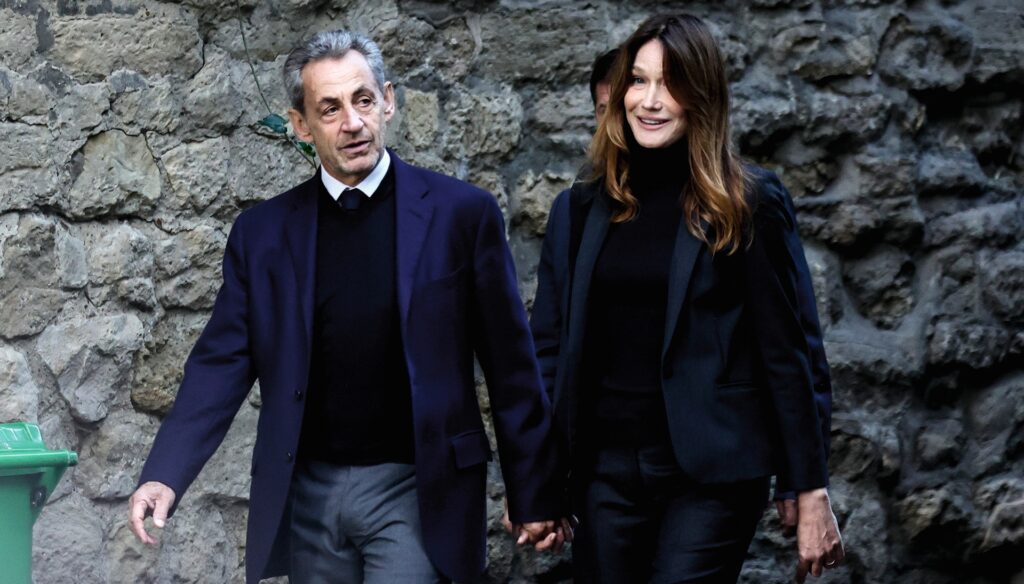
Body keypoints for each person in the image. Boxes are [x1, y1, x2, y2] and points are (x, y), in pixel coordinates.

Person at [128, 29, 567, 584]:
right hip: (309, 492)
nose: (353, 122)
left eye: (363, 100)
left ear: (387, 100)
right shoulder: (262, 234)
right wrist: (165, 473)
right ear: (300, 125)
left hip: (418, 487)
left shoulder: (462, 214)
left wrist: (534, 491)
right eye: (330, 109)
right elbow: (221, 362)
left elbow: (511, 365)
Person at [530, 14, 844, 584]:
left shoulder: (745, 202)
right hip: (604, 474)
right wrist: (538, 482)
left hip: (710, 476)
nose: (650, 100)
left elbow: (787, 352)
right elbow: (549, 352)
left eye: (669, 83)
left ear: (701, 95)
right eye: (639, 80)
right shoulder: (578, 209)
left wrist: (809, 486)